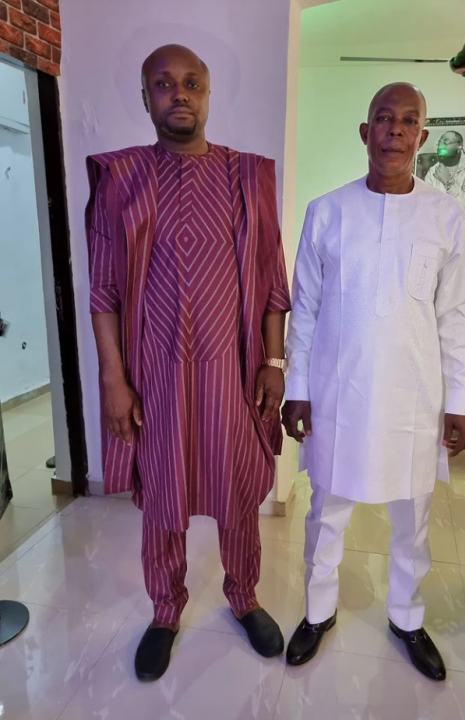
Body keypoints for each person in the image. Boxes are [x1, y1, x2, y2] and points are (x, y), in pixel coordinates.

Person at [85, 44, 291, 682]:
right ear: (145, 97)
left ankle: (244, 596)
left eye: (192, 83)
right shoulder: (122, 179)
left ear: (207, 93)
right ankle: (165, 611)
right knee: (163, 493)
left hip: (233, 370)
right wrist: (114, 379)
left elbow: (272, 280)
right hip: (156, 374)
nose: (180, 94)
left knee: (235, 487)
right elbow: (103, 292)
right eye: (164, 84)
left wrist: (274, 361)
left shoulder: (247, 176)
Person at [282, 83, 465, 681]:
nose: (396, 129)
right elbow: (305, 308)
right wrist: (297, 387)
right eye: (384, 118)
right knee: (326, 512)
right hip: (338, 394)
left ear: (422, 137)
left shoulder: (446, 217)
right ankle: (318, 612)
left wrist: (461, 398)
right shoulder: (326, 212)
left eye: (409, 120)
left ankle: (406, 617)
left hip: (413, 399)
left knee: (412, 519)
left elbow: (456, 314)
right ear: (365, 132)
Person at [424, 130, 465, 214]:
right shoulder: (433, 171)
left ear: (459, 146)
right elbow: (426, 203)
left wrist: (448, 182)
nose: (440, 147)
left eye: (446, 143)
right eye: (439, 143)